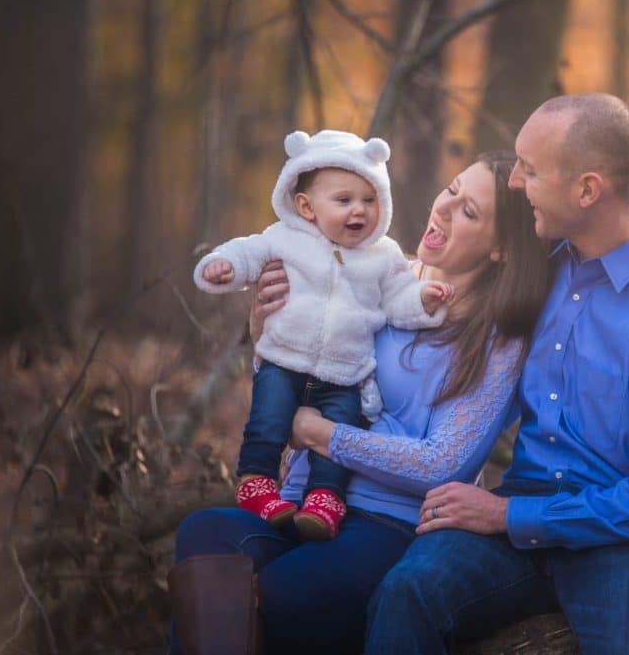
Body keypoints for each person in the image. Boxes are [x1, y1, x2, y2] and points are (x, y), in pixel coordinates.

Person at [364, 93, 629, 654]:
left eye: (530, 170)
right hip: (520, 520)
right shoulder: (540, 268)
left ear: (587, 190)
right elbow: (429, 287)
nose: (514, 182)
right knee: (406, 591)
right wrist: (294, 300)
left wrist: (508, 514)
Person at [169, 150, 552, 653]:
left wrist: (322, 435)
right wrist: (266, 338)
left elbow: (444, 462)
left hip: (390, 526)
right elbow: (298, 392)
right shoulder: (377, 276)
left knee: (282, 591)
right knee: (207, 538)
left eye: (469, 211)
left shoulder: (499, 341)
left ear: (500, 249)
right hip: (305, 501)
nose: (444, 208)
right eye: (453, 189)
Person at [193, 129, 453, 540]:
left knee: (339, 438)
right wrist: (223, 265)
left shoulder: (383, 255)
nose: (360, 211)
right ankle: (256, 481)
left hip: (343, 374)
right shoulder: (285, 238)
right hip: (283, 358)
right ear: (306, 206)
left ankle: (325, 499)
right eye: (344, 200)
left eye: (369, 200)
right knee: (267, 422)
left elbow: (399, 297)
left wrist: (424, 300)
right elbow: (248, 252)